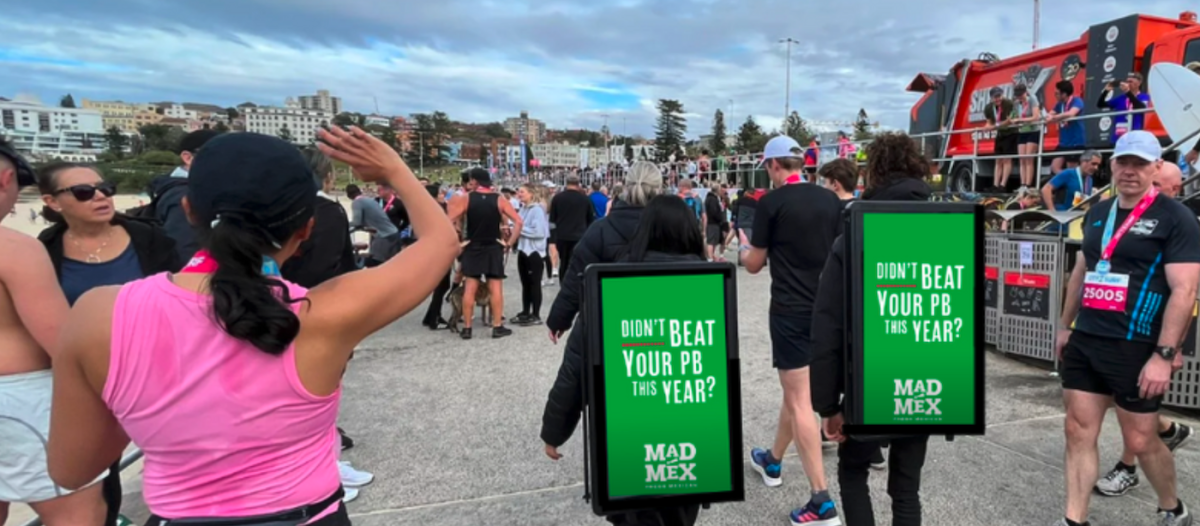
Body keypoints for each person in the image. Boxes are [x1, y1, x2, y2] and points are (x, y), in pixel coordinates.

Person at [45, 128, 458, 525]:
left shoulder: (99, 313)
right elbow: (440, 243)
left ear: (189, 209)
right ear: (307, 227)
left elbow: (72, 469)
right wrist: (393, 169)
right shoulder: (323, 313)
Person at [1054, 130, 1199, 526]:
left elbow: (1184, 291)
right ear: (1112, 165)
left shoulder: (1175, 217)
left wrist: (1164, 354)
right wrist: (1065, 325)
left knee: (1139, 440)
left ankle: (1173, 507)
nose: (1130, 171)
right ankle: (1074, 520)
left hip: (1138, 345)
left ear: (1156, 168)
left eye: (1140, 164)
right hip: (1088, 338)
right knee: (1078, 430)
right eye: (1124, 162)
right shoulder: (1098, 213)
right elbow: (1081, 272)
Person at [35, 162, 181, 524]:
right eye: (84, 192)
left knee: (178, 455)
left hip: (157, 370)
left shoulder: (151, 239)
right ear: (53, 202)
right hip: (89, 375)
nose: (100, 196)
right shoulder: (44, 252)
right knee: (101, 471)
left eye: (105, 187)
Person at [811, 132, 935, 526]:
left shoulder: (855, 230)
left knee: (852, 473)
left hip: (869, 377)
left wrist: (828, 405)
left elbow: (827, 324)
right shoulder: (948, 226)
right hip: (925, 377)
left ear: (874, 173)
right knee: (906, 488)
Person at [0, 141, 108, 526]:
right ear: (5, 178)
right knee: (76, 512)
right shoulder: (14, 249)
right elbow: (63, 342)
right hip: (20, 398)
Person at [739, 135, 844, 525]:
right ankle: (773, 460)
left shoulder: (771, 203)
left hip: (790, 310)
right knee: (795, 392)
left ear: (772, 166)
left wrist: (743, 250)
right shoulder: (829, 199)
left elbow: (754, 264)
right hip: (827, 308)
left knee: (800, 400)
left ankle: (821, 499)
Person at [542, 161, 664, 458]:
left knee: (576, 372)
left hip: (604, 322)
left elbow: (574, 280)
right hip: (659, 323)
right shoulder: (670, 229)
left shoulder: (601, 230)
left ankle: (555, 440)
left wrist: (559, 319)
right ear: (659, 190)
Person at [1093, 160, 1194, 498]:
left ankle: (1129, 467)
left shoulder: (1180, 220)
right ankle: (1165, 430)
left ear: (1172, 189)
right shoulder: (1113, 212)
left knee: (1133, 417)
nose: (1148, 198)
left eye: (1160, 189)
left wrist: (1173, 349)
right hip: (1119, 330)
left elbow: (1187, 294)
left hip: (1158, 332)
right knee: (1117, 403)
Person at [276, 148, 374, 496]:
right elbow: (338, 266)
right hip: (317, 311)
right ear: (325, 176)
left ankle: (324, 461)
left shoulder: (275, 210)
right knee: (321, 394)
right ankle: (321, 467)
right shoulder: (326, 211)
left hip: (276, 309)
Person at [448, 168, 522, 340]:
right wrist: (509, 243)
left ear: (475, 181)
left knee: (470, 288)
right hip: (493, 246)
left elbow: (449, 219)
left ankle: (467, 328)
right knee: (495, 288)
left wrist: (459, 242)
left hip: (472, 246)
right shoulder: (499, 199)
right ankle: (497, 326)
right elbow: (518, 221)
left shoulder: (466, 198)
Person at [281, 148, 357, 288]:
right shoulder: (330, 211)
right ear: (328, 177)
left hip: (279, 290)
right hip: (316, 296)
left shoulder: (281, 205)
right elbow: (334, 262)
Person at [147, 129, 222, 262]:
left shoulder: (170, 185)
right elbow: (184, 250)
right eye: (218, 155)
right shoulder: (182, 195)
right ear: (188, 157)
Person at [513, 183, 549, 327]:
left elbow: (539, 232)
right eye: (519, 191)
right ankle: (525, 311)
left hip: (534, 252)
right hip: (523, 250)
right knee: (525, 284)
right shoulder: (523, 209)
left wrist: (519, 229)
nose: (519, 194)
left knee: (534, 284)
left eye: (522, 192)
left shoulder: (537, 210)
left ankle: (536, 314)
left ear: (531, 194)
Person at [548, 175, 594, 280]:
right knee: (576, 261)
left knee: (563, 261)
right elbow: (590, 220)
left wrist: (552, 238)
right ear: (578, 185)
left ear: (566, 184)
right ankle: (574, 282)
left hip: (562, 235)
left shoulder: (557, 198)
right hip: (580, 235)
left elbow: (552, 220)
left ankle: (563, 282)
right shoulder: (585, 199)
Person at [421, 183, 453, 331]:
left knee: (441, 284)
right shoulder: (437, 210)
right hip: (439, 250)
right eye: (440, 194)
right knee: (441, 284)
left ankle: (430, 316)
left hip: (433, 249)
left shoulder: (425, 209)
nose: (443, 196)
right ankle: (434, 317)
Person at [347, 183, 401, 267]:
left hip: (384, 236)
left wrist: (344, 224)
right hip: (394, 233)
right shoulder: (371, 200)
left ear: (349, 196)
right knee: (391, 264)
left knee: (376, 262)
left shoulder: (357, 202)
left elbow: (357, 222)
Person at [1046, 80, 1087, 175]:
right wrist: (1048, 117)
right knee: (1055, 167)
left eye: (1057, 94)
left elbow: (1071, 113)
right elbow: (1050, 114)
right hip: (1063, 142)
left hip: (1075, 141)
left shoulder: (1077, 101)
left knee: (1071, 167)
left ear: (1064, 94)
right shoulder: (1059, 104)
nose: (1055, 96)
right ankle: (1069, 180)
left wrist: (1054, 117)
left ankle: (1077, 184)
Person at [983, 86, 1017, 192]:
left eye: (999, 96)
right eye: (995, 97)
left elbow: (1009, 121)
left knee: (1007, 159)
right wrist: (986, 127)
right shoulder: (989, 108)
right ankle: (995, 185)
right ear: (991, 98)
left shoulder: (1009, 104)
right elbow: (989, 121)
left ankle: (1003, 185)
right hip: (1000, 134)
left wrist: (995, 126)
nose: (998, 99)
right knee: (998, 160)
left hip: (1011, 133)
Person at [1097, 72, 1150, 139]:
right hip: (1119, 136)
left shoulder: (1144, 96)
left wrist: (1128, 92)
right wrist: (1106, 91)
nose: (1128, 83)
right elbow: (1100, 104)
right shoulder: (1121, 98)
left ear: (1139, 83)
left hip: (1135, 136)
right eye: (1127, 81)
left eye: (1131, 81)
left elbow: (1141, 108)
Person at [1011, 84, 1043, 191]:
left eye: (1021, 95)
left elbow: (1036, 117)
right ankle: (1022, 184)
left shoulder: (1032, 99)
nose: (1020, 97)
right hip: (1022, 131)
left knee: (1029, 158)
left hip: (1033, 130)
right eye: (1018, 95)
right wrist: (1014, 121)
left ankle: (1029, 185)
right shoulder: (1016, 103)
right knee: (1022, 159)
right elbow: (1016, 116)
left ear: (1025, 92)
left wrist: (1020, 120)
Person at [704, 181, 725, 261]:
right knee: (711, 241)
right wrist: (719, 217)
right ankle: (710, 257)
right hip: (713, 222)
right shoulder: (713, 199)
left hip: (712, 222)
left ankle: (711, 256)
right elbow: (714, 212)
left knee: (713, 241)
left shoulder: (710, 198)